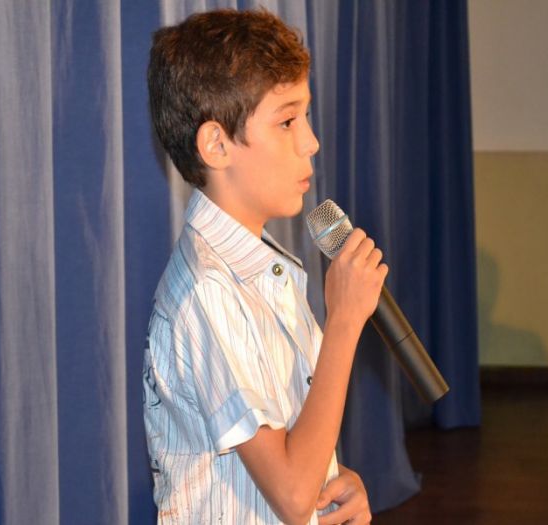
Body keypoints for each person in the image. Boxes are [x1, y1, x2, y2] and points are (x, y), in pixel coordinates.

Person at [143, 8, 386, 525]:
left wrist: (333, 481)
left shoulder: (263, 267)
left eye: (306, 116)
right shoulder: (209, 291)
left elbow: (290, 464)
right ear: (216, 145)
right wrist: (344, 322)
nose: (311, 142)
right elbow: (291, 497)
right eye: (287, 121)